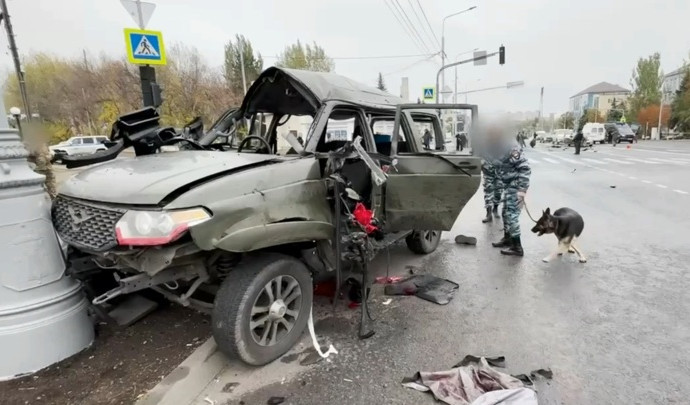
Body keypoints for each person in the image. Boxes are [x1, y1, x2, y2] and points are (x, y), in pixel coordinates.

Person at [491, 131, 531, 257]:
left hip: (516, 184)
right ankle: (508, 239)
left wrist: (522, 190)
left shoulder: (511, 145)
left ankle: (517, 247)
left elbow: (525, 167)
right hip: (508, 185)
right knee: (505, 212)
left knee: (511, 214)